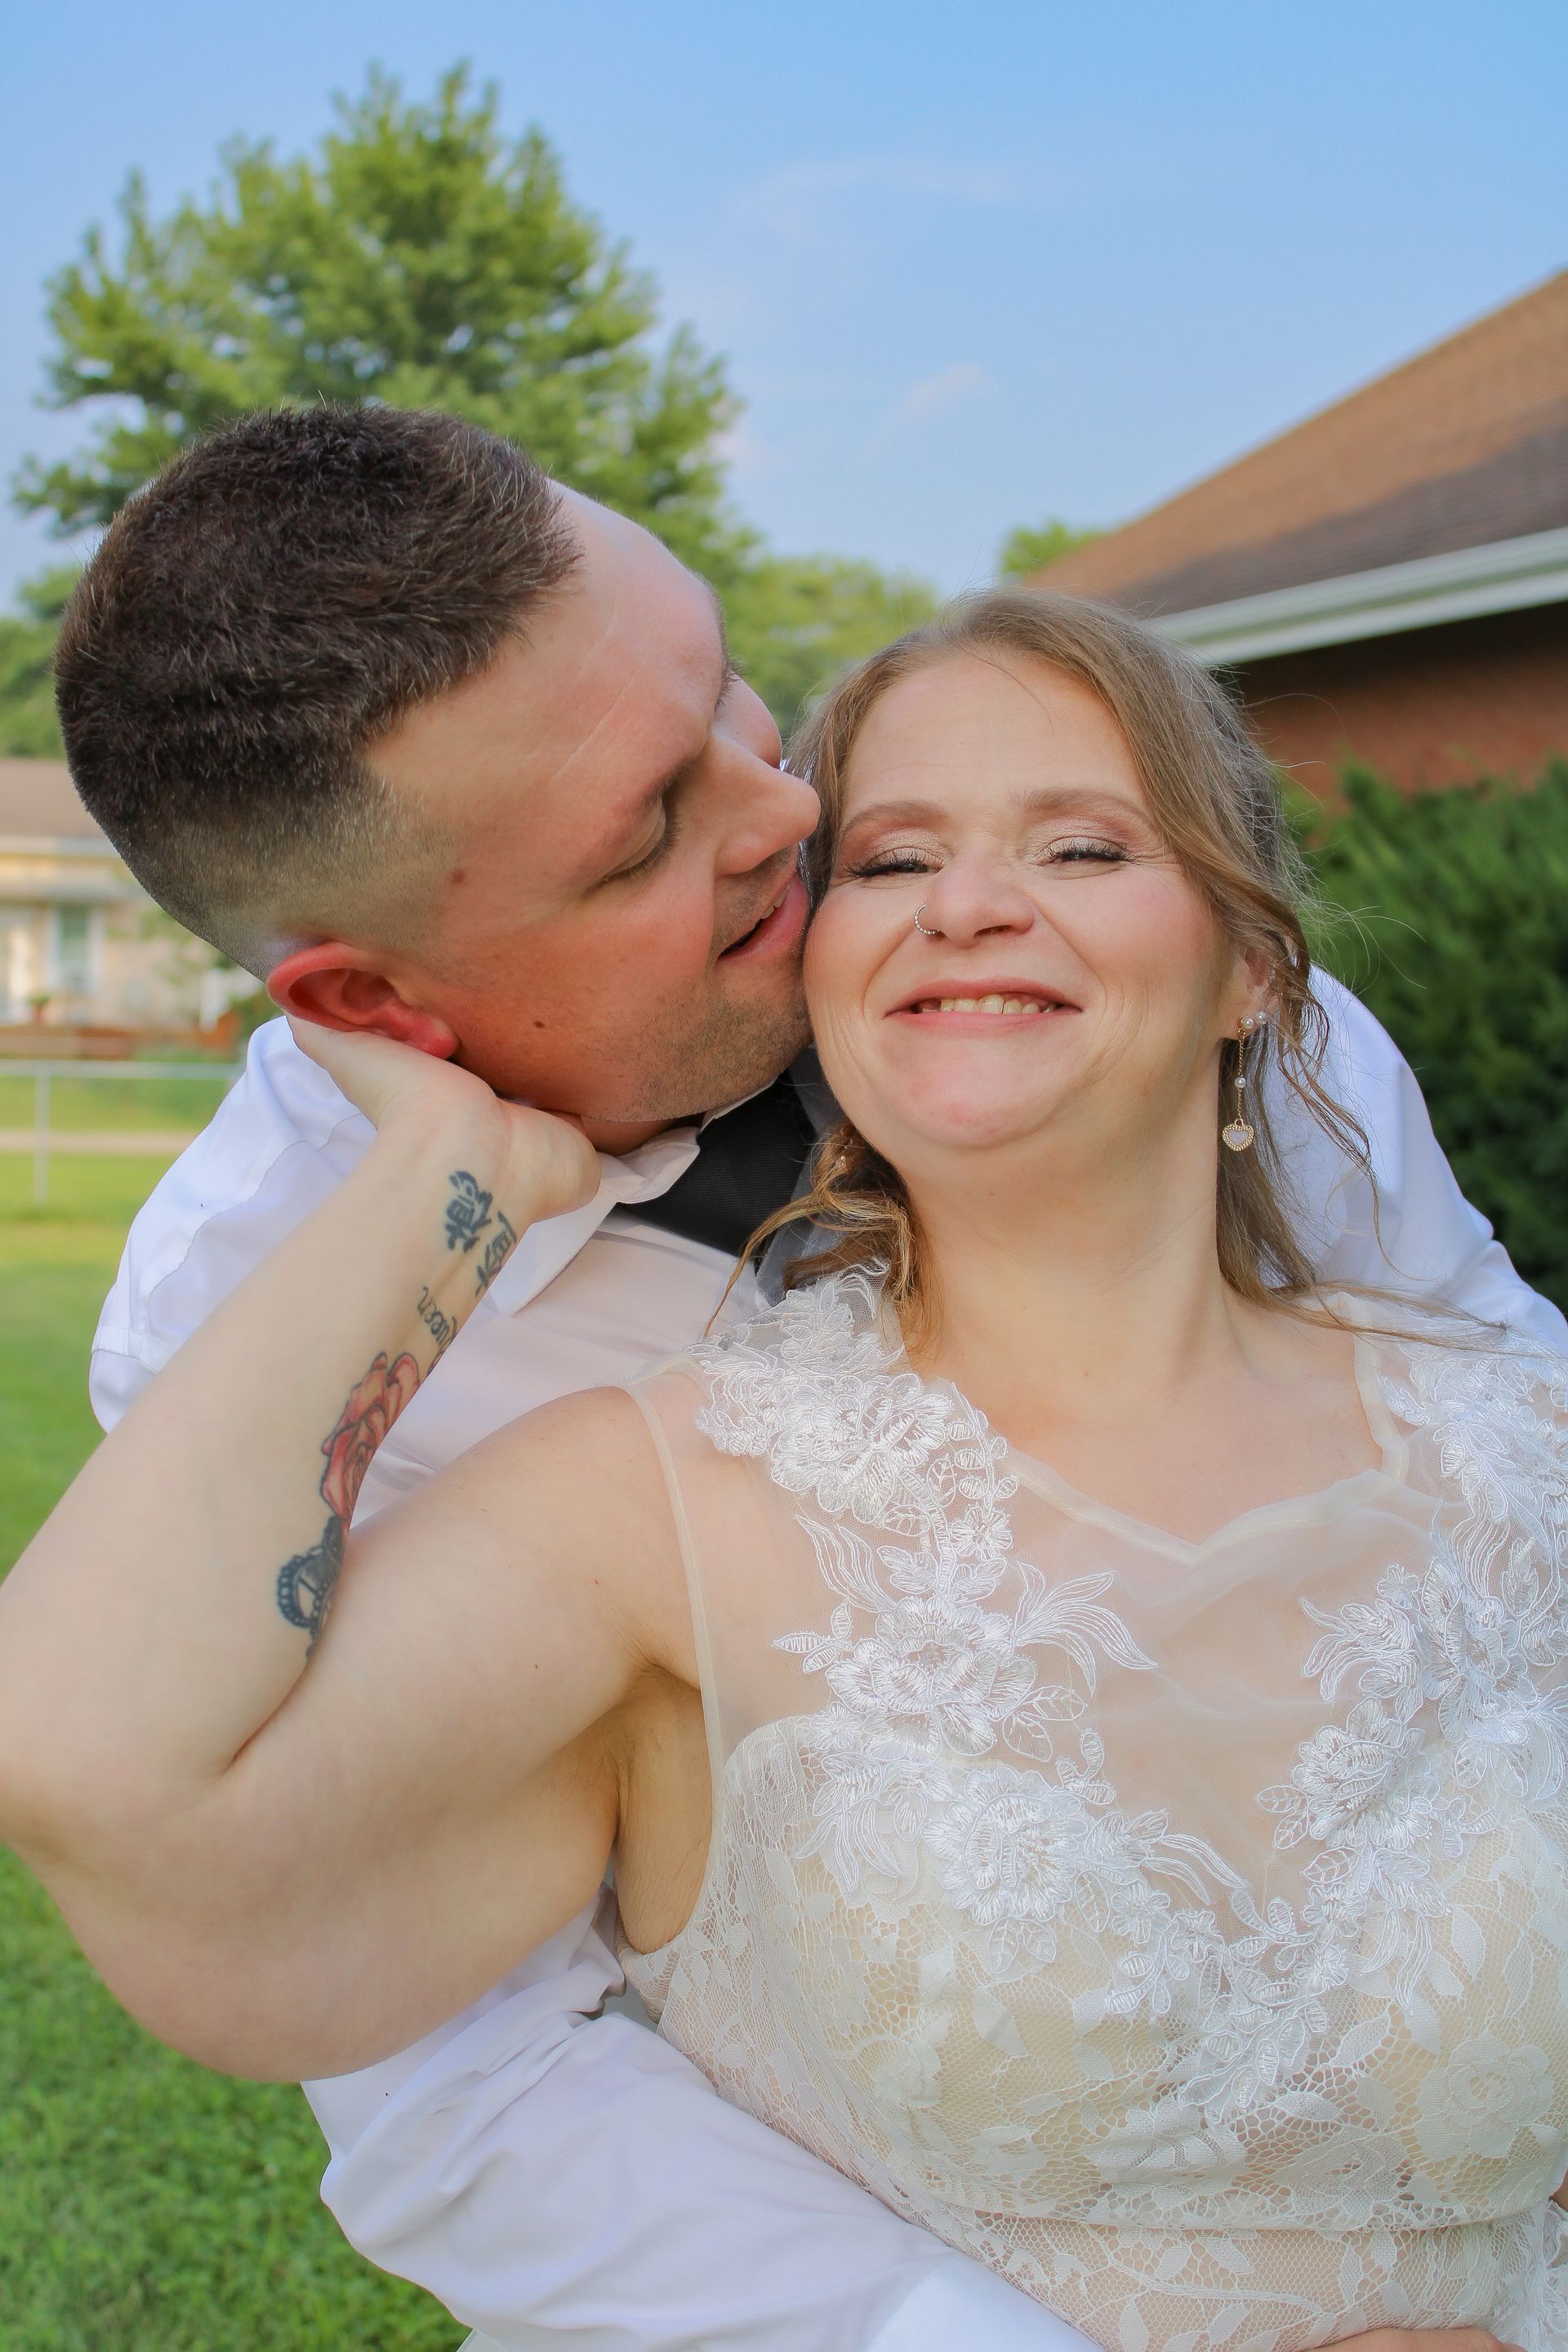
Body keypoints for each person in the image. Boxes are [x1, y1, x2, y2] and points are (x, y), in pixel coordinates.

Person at [3, 577, 1566, 2352]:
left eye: (1082, 849)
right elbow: (147, 1815)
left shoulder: (1505, 1431)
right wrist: (451, 1168)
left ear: (1264, 968)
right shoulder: (629, 1501)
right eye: (893, 863)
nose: (941, 894)